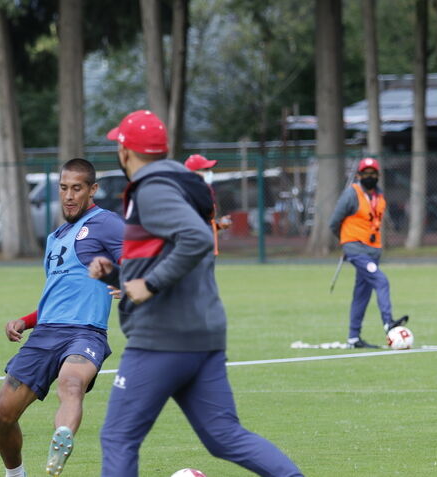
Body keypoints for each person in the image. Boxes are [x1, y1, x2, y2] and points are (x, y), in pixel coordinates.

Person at [90, 110, 303, 477]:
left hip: (162, 339)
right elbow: (171, 255)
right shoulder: (180, 182)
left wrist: (149, 284)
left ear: (125, 152)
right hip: (202, 335)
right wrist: (118, 275)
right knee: (224, 437)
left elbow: (197, 237)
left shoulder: (153, 188)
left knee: (118, 437)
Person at [0, 158, 124, 477]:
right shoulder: (54, 239)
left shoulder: (106, 223)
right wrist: (25, 321)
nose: (68, 195)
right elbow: (58, 297)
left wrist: (128, 280)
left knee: (71, 383)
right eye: (64, 188)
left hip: (86, 333)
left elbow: (140, 259)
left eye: (77, 188)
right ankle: (16, 474)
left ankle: (62, 436)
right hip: (45, 334)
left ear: (92, 189)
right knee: (2, 414)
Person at [329, 157, 408, 349]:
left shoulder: (379, 196)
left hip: (373, 251)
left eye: (373, 173)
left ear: (378, 176)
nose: (370, 176)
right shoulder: (351, 194)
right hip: (356, 248)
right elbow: (334, 222)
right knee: (381, 281)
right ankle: (388, 323)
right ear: (359, 175)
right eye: (366, 173)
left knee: (362, 293)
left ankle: (353, 338)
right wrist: (347, 242)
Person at [184, 153, 231, 255]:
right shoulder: (188, 194)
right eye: (205, 169)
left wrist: (219, 225)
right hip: (194, 252)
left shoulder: (206, 192)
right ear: (192, 173)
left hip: (205, 251)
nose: (209, 172)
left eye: (208, 169)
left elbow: (204, 225)